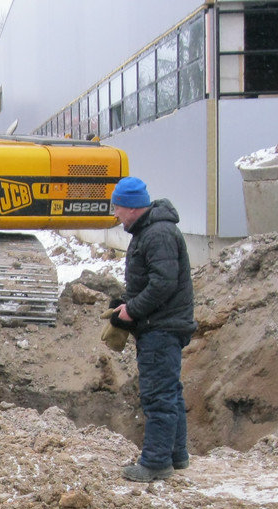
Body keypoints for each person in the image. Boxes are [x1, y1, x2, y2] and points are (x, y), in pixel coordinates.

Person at [105, 176, 198, 482]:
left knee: (158, 395)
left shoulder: (156, 234)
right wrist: (127, 302)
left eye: (117, 207)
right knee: (170, 391)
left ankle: (157, 461)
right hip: (162, 323)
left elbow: (163, 283)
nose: (115, 214)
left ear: (131, 207)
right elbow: (155, 279)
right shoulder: (152, 231)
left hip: (162, 327)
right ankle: (176, 455)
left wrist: (133, 310)